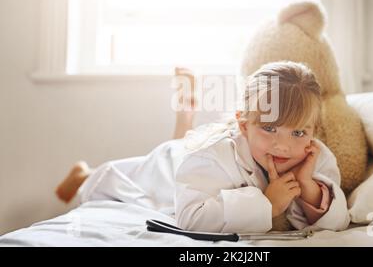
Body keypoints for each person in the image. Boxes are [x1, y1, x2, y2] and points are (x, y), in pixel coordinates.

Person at [55, 61, 350, 233]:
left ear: (313, 131)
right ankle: (85, 174)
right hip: (173, 166)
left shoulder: (314, 157)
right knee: (132, 175)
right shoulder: (216, 155)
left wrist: (309, 187)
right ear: (244, 125)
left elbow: (338, 220)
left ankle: (185, 117)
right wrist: (266, 204)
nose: (283, 145)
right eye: (270, 128)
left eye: (298, 132)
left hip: (193, 155)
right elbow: (191, 217)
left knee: (183, 141)